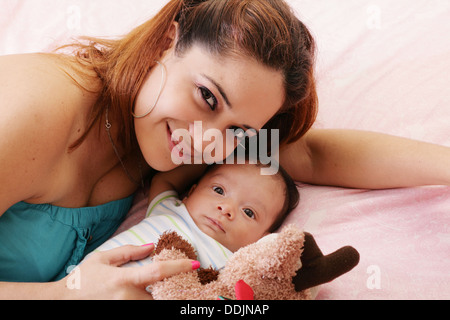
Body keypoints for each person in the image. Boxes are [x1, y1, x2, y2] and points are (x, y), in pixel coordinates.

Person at [0, 0, 448, 299]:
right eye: (208, 97)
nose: (204, 141)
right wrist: (65, 294)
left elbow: (312, 156)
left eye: (240, 130)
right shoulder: (32, 108)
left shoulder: (174, 136)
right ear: (165, 42)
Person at [90, 161, 300, 272]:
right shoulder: (170, 209)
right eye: (218, 190)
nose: (226, 208)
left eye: (249, 212)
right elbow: (164, 180)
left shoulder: (233, 264)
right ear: (191, 192)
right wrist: (215, 157)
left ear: (262, 238)